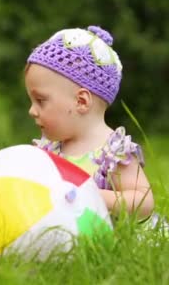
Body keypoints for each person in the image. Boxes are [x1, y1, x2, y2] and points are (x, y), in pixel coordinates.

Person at [24, 25, 157, 223]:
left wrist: (95, 196)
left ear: (81, 102)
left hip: (107, 237)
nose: (31, 111)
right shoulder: (49, 149)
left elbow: (144, 202)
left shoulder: (113, 152)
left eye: (41, 101)